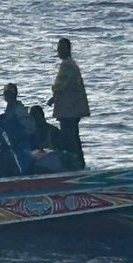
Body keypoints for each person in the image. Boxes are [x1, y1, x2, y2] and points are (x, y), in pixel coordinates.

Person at [47, 38, 90, 168]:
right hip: (73, 108)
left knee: (69, 137)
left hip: (69, 110)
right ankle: (79, 163)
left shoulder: (67, 65)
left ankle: (74, 163)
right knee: (74, 137)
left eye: (61, 48)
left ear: (68, 49)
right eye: (58, 48)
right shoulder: (72, 64)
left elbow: (60, 85)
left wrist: (53, 96)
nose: (59, 51)